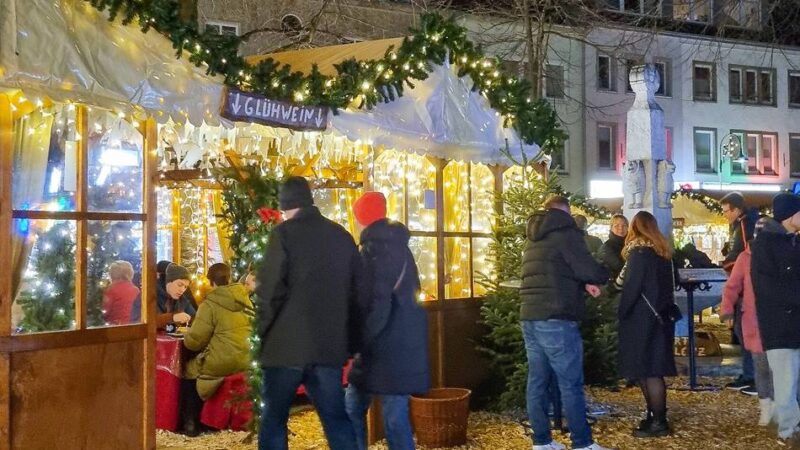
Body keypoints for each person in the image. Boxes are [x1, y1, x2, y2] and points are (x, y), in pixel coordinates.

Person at [256, 176, 360, 450]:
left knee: (274, 420)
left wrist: (263, 332)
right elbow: (357, 294)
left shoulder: (283, 234)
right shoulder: (342, 236)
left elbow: (270, 292)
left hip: (284, 346)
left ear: (285, 205)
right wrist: (350, 342)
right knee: (336, 421)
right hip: (328, 346)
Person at [520, 195, 611, 450]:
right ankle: (582, 443)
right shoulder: (566, 232)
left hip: (530, 315)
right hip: (557, 318)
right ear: (566, 212)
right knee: (570, 383)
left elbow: (555, 271)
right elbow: (587, 268)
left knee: (537, 381)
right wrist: (601, 275)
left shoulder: (532, 238)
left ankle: (542, 441)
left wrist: (583, 285)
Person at [344, 192, 430, 450]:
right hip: (404, 345)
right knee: (395, 417)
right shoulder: (401, 248)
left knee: (355, 410)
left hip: (381, 349)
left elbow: (375, 306)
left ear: (362, 219)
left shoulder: (373, 252)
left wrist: (356, 343)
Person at [615, 211, 677, 438]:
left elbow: (630, 288)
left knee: (647, 370)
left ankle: (658, 421)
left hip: (642, 319)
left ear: (635, 228)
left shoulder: (639, 253)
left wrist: (621, 312)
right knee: (652, 369)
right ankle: (654, 417)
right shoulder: (664, 252)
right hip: (661, 317)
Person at [181, 263, 253, 436]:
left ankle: (191, 423)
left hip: (223, 362)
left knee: (189, 369)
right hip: (246, 358)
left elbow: (194, 342)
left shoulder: (210, 304)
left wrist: (186, 335)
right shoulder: (243, 298)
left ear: (211, 281)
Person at [721, 217, 779, 427]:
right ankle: (767, 407)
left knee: (779, 367)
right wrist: (727, 310)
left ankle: (780, 408)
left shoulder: (781, 254)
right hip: (755, 321)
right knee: (762, 367)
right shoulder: (746, 258)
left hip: (778, 321)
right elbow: (732, 286)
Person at [751, 193, 800, 442]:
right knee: (785, 380)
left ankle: (788, 424)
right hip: (779, 324)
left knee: (791, 380)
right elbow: (767, 288)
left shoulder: (793, 241)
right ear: (790, 216)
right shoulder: (766, 245)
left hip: (792, 323)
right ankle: (787, 430)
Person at [719, 192, 758, 392]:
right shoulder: (742, 224)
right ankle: (750, 374)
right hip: (746, 285)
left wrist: (727, 264)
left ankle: (754, 376)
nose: (724, 214)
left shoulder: (744, 225)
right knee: (742, 332)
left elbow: (743, 254)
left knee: (746, 331)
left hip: (746, 288)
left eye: (726, 211)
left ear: (736, 209)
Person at [156, 263, 196, 330]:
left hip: (172, 339)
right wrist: (172, 317)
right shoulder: (151, 294)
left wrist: (192, 319)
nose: (182, 290)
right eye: (180, 284)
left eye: (185, 287)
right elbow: (147, 322)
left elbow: (195, 316)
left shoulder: (182, 299)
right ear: (168, 281)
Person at [102, 260, 140, 326]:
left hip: (113, 328)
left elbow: (104, 311)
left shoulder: (110, 290)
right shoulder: (135, 289)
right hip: (133, 325)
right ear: (130, 273)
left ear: (111, 274)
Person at [597, 214, 628, 280]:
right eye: (616, 226)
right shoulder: (606, 248)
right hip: (613, 285)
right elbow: (621, 268)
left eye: (624, 225)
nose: (621, 228)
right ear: (611, 228)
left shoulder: (630, 244)